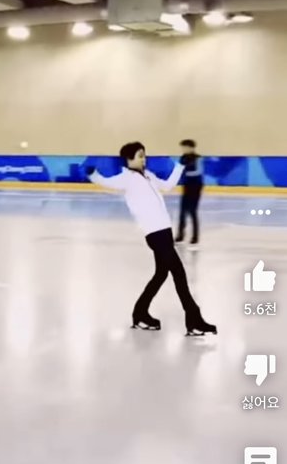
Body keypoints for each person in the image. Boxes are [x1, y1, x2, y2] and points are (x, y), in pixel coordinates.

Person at [86, 142, 216, 336]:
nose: (143, 159)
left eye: (144, 155)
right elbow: (107, 183)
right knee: (179, 273)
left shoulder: (148, 176)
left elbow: (168, 186)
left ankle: (140, 314)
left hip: (164, 231)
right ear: (129, 159)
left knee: (161, 274)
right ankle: (193, 319)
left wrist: (180, 165)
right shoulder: (126, 179)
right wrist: (93, 175)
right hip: (155, 234)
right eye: (139, 156)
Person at [176, 139, 203, 245]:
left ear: (191, 148)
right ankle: (180, 235)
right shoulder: (182, 158)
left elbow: (199, 171)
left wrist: (185, 172)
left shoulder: (198, 158)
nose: (183, 149)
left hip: (196, 186)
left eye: (185, 147)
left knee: (192, 211)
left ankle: (195, 237)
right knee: (182, 211)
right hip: (187, 186)